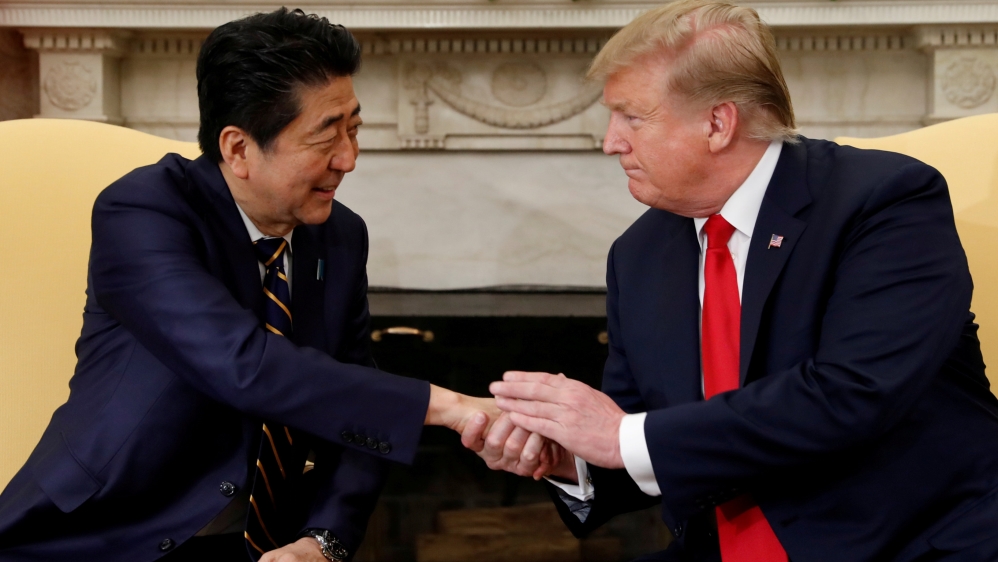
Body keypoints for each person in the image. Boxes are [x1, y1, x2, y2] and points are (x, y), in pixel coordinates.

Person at [470, 1, 998, 560]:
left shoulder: (883, 201)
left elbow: (851, 394)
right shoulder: (639, 254)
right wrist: (572, 459)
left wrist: (620, 438)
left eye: (632, 117)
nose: (610, 142)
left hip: (910, 544)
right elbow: (645, 436)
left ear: (718, 123)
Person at [0, 9, 511, 562]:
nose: (350, 158)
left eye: (354, 128)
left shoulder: (339, 235)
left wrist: (324, 542)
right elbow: (240, 364)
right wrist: (445, 405)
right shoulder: (142, 211)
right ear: (239, 149)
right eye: (325, 136)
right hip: (101, 533)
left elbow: (354, 405)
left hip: (256, 545)